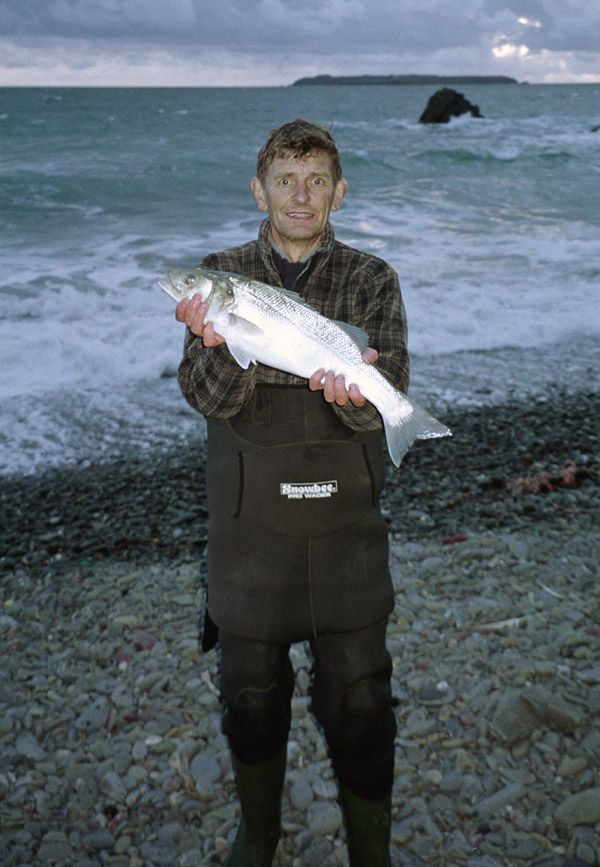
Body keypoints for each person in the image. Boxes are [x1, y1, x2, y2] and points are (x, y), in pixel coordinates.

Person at [175, 118, 409, 866]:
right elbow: (203, 394)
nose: (300, 195)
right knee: (248, 692)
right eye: (285, 180)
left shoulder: (372, 280)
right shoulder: (222, 273)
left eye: (315, 180)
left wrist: (353, 396)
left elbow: (384, 394)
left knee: (363, 697)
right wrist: (218, 340)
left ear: (339, 191)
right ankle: (259, 830)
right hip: (250, 526)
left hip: (346, 524)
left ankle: (371, 847)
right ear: (260, 189)